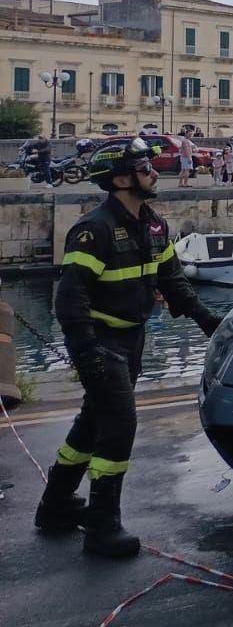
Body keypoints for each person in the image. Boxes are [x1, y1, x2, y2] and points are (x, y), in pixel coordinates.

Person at [33, 138, 219, 556]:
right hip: (102, 342)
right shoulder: (93, 230)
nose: (154, 172)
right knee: (118, 425)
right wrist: (85, 349)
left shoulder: (153, 225)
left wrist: (208, 320)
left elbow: (171, 279)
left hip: (133, 337)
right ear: (120, 179)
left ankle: (56, 505)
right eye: (143, 168)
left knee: (93, 421)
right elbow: (70, 297)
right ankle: (102, 525)